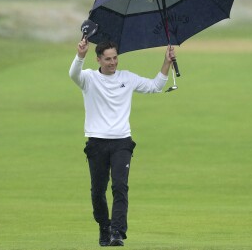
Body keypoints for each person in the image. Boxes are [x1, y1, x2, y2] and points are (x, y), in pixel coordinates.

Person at [69, 38, 175, 246]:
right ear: (98, 59)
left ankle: (117, 231)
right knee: (98, 190)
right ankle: (104, 226)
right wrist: (80, 56)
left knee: (120, 187)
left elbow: (155, 86)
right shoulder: (89, 78)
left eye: (115, 58)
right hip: (97, 142)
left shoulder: (127, 78)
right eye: (108, 59)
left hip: (121, 142)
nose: (113, 62)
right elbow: (73, 74)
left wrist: (166, 62)